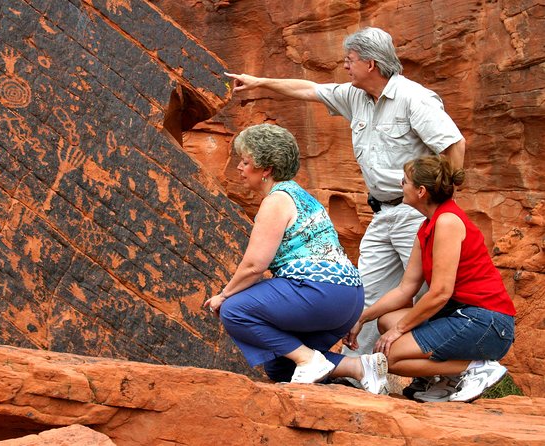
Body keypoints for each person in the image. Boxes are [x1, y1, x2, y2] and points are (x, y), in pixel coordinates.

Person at [225, 26, 465, 396]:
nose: (345, 66)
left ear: (370, 63)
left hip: (418, 212)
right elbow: (308, 89)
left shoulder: (413, 99)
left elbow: (453, 144)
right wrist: (260, 82)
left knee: (433, 290)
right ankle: (363, 372)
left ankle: (446, 375)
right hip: (382, 213)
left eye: (350, 61)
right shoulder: (356, 96)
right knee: (365, 294)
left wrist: (443, 201)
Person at [203, 123, 387, 394]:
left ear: (266, 169)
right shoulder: (301, 195)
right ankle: (359, 367)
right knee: (279, 367)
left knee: (234, 310)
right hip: (348, 299)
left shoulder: (277, 200)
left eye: (245, 162)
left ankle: (308, 359)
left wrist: (224, 295)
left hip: (320, 293)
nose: (240, 168)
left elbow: (255, 265)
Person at [344, 155, 516, 402]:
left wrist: (399, 332)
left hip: (487, 323)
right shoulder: (428, 225)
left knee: (389, 357)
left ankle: (476, 367)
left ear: (421, 191)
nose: (401, 185)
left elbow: (440, 292)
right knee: (386, 321)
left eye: (405, 182)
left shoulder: (447, 221)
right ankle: (445, 381)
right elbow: (406, 289)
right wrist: (361, 318)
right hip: (463, 316)